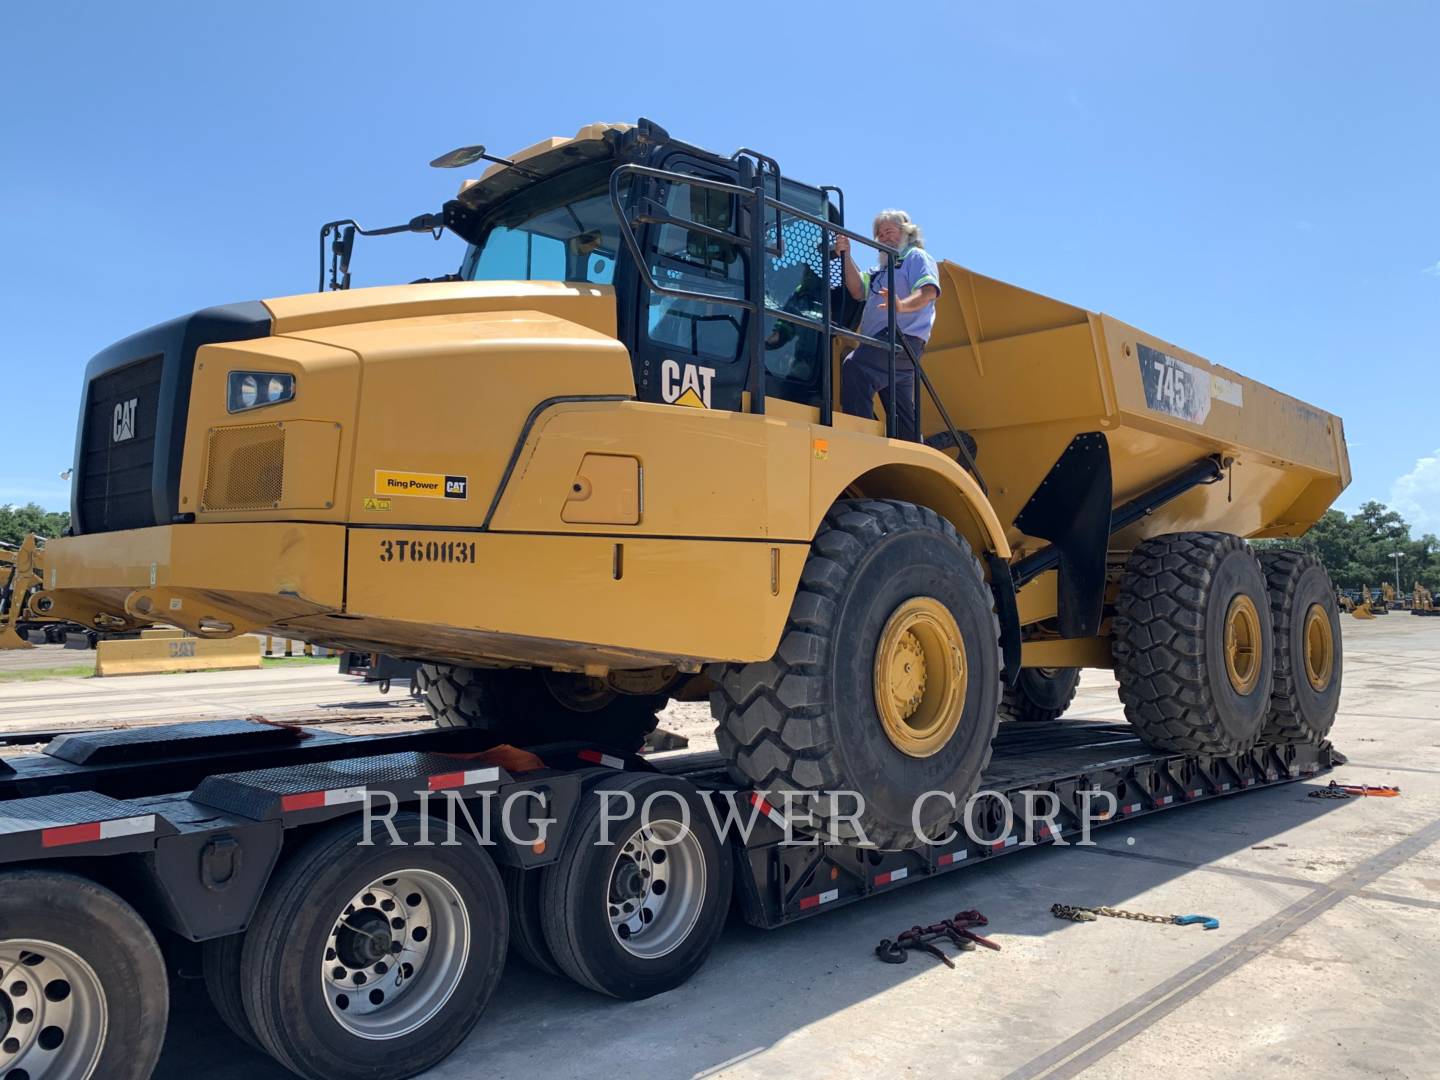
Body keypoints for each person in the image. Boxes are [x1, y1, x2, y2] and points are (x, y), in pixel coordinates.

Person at [834, 210, 941, 440]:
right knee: (900, 408)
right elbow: (857, 290)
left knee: (855, 368)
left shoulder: (916, 257)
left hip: (901, 339)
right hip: (884, 343)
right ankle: (913, 451)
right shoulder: (881, 270)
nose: (884, 238)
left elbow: (928, 291)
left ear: (906, 233)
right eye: (880, 235)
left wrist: (901, 305)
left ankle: (859, 438)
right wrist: (846, 255)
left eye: (889, 232)